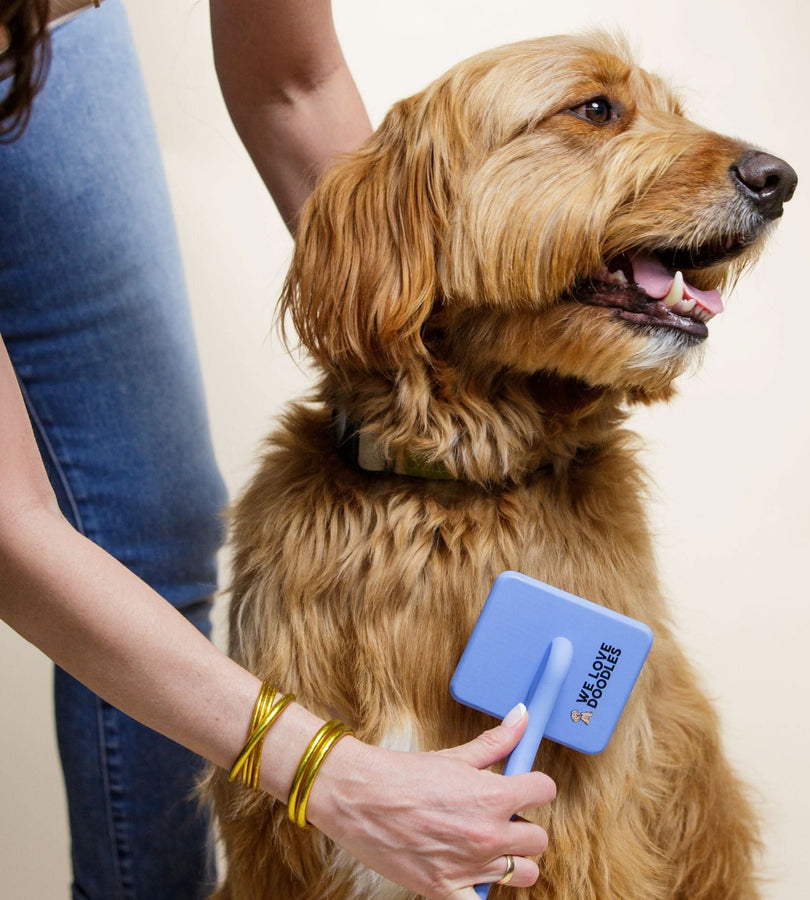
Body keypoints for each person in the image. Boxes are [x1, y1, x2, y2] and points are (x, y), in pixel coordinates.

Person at [0, 2, 556, 899]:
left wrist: (438, 348)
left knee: (151, 534)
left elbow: (292, 76)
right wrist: (329, 776)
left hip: (35, 37)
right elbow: (10, 525)